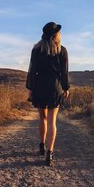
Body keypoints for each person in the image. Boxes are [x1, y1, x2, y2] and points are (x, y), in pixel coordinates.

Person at [26, 22, 70, 166]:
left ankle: (42, 144)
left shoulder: (36, 49)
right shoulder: (62, 50)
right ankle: (49, 153)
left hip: (39, 86)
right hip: (55, 88)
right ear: (55, 35)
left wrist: (31, 88)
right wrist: (66, 88)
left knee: (42, 118)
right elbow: (64, 73)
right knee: (52, 121)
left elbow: (32, 70)